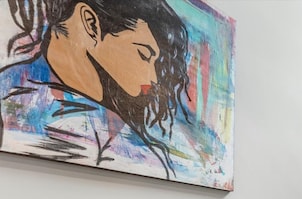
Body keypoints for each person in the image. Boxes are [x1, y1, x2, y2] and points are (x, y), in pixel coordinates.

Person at [0, 0, 191, 180]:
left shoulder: (114, 121)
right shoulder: (17, 102)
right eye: (143, 54)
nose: (153, 78)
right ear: (90, 24)